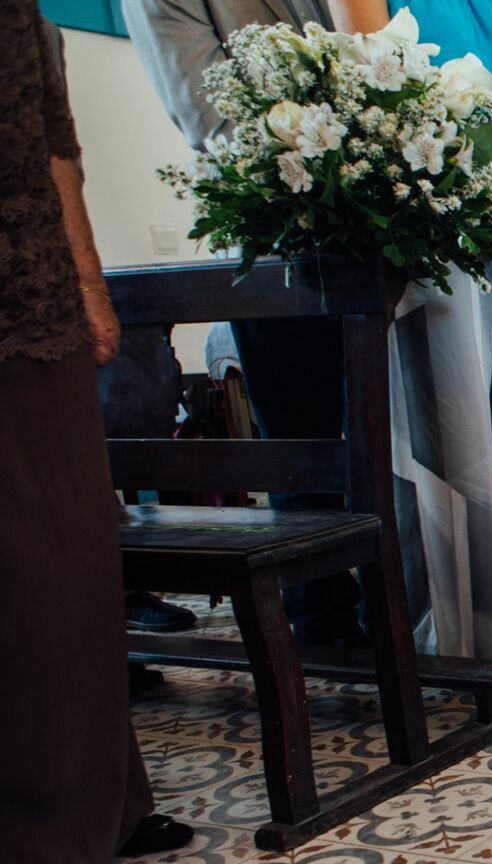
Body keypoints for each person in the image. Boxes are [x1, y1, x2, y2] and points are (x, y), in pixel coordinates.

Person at [1, 8, 194, 864]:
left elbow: (56, 146)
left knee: (78, 553)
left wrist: (86, 286)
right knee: (19, 565)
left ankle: (108, 802)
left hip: (34, 289)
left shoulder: (26, 18)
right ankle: (24, 835)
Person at [330, 0, 492, 670]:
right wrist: (445, 194)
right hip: (426, 228)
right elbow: (370, 76)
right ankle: (457, 637)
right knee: (449, 430)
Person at [127, 0, 367, 647]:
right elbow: (207, 111)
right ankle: (323, 622)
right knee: (304, 447)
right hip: (273, 241)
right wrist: (335, 154)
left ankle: (393, 606)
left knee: (382, 443)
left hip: (370, 234)